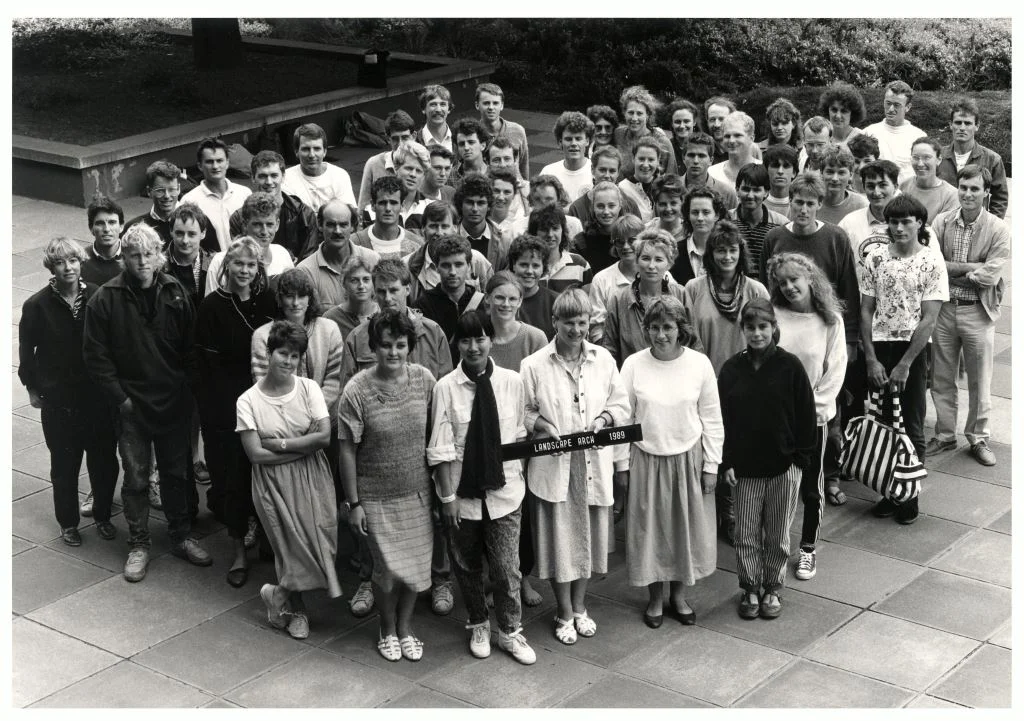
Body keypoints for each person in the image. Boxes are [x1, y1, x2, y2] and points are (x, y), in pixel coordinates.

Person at [83, 224, 212, 582]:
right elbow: (96, 359)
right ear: (123, 258)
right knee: (137, 478)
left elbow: (191, 349)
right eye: (134, 255)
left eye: (148, 254)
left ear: (160, 256)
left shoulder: (176, 293)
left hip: (173, 404)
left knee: (176, 474)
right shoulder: (105, 300)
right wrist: (121, 400)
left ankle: (181, 535)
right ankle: (139, 543)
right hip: (131, 409)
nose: (142, 261)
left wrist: (186, 391)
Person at [340, 260, 454, 620]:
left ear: (409, 289)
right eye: (382, 290)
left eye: (395, 289)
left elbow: (447, 391)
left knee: (431, 522)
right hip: (375, 450)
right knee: (373, 533)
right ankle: (367, 579)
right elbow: (346, 389)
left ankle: (439, 579)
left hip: (422, 449)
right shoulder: (359, 336)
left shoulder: (433, 332)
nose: (388, 297)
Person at [520, 288, 630, 645]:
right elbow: (522, 409)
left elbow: (621, 403)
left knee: (587, 541)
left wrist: (604, 418)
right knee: (559, 543)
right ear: (555, 322)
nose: (576, 329)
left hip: (592, 464)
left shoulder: (604, 360)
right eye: (568, 322)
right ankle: (563, 610)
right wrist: (541, 426)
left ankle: (581, 607)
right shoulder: (534, 364)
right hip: (554, 467)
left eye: (582, 322)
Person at [427, 310, 538, 665]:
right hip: (462, 497)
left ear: (491, 340)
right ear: (456, 344)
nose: (474, 347)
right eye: (466, 340)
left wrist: (517, 477)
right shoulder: (445, 388)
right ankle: (477, 622)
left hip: (505, 493)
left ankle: (510, 630)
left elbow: (519, 434)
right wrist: (447, 499)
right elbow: (441, 449)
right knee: (467, 566)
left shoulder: (511, 382)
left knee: (507, 568)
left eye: (480, 339)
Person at [338, 309, 436, 661]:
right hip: (375, 497)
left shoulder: (425, 381)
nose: (393, 352)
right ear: (374, 347)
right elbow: (347, 449)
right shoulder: (356, 391)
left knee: (414, 569)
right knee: (387, 572)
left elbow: (437, 436)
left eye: (400, 345)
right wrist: (354, 503)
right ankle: (387, 627)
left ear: (410, 346)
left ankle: (406, 628)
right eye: (385, 345)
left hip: (418, 493)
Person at [620, 296, 723, 627]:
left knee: (684, 531)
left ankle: (678, 597)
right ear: (645, 329)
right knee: (649, 532)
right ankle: (654, 599)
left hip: (687, 459)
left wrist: (711, 466)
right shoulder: (634, 364)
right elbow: (623, 420)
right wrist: (621, 466)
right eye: (654, 327)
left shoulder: (699, 364)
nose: (661, 334)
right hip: (646, 459)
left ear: (681, 330)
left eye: (667, 327)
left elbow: (711, 418)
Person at [238, 320, 340, 641]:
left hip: (314, 476)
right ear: (268, 353)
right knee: (290, 548)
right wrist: (302, 446)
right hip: (272, 485)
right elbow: (256, 455)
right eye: (282, 353)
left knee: (323, 543)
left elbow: (324, 437)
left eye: (295, 356)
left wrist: (281, 444)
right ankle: (296, 610)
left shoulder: (309, 388)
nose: (288, 361)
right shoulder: (248, 401)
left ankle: (277, 594)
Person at [718, 299, 816, 620]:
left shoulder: (790, 367)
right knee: (745, 533)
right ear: (743, 329)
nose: (757, 333)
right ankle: (749, 587)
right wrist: (726, 462)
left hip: (783, 467)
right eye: (751, 327)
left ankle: (772, 586)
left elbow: (805, 414)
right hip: (745, 469)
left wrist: (800, 461)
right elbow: (723, 420)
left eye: (763, 326)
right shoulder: (732, 370)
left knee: (777, 533)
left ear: (774, 327)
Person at [20, 237, 119, 546]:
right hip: (60, 401)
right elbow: (27, 351)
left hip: (97, 397)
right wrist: (33, 387)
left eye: (73, 261)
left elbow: (112, 341)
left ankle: (103, 515)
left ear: (81, 263)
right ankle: (68, 523)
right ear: (52, 267)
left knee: (104, 461)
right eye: (61, 262)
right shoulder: (37, 305)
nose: (68, 267)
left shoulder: (98, 296)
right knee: (64, 465)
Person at [859, 195, 949, 523]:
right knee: (883, 423)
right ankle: (888, 490)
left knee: (911, 425)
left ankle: (909, 496)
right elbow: (867, 309)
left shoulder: (931, 262)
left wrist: (906, 364)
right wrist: (871, 359)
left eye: (906, 222)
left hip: (912, 351)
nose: (899, 228)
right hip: (880, 349)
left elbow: (929, 319)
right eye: (894, 222)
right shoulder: (876, 258)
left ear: (919, 224)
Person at [195, 237, 277, 587]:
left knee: (265, 476)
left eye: (251, 265)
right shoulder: (212, 306)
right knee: (232, 479)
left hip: (265, 401)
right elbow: (204, 364)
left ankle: (269, 542)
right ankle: (239, 553)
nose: (244, 270)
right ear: (226, 266)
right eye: (238, 264)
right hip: (227, 405)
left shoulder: (267, 301)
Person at [766, 252, 847, 581]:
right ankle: (774, 548)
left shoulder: (830, 320)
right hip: (774, 418)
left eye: (793, 280)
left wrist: (808, 411)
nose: (788, 287)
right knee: (776, 488)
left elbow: (835, 371)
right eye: (781, 282)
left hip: (812, 420)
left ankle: (808, 550)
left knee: (811, 489)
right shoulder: (773, 315)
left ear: (810, 279)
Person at [928, 165, 1009, 466]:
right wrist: (970, 267)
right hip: (945, 310)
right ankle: (945, 434)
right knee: (942, 377)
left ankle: (978, 437)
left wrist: (953, 271)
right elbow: (932, 264)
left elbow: (990, 275)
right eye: (963, 187)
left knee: (979, 379)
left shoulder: (999, 229)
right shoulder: (941, 221)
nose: (968, 194)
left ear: (987, 192)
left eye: (975, 189)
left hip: (978, 311)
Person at [758, 174, 861, 352]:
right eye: (799, 202)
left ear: (819, 204)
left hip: (826, 325)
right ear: (790, 201)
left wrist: (850, 339)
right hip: (784, 327)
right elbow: (764, 287)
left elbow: (849, 289)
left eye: (810, 204)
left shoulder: (836, 238)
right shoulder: (774, 238)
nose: (804, 209)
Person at [683, 221, 770, 374]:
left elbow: (769, 339)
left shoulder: (756, 290)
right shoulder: (693, 288)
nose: (728, 256)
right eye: (721, 250)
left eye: (733, 250)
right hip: (703, 378)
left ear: (740, 252)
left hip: (746, 379)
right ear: (711, 253)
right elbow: (686, 337)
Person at [602, 228, 686, 367]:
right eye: (646, 258)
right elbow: (609, 350)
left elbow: (692, 343)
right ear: (636, 261)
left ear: (669, 264)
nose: (651, 266)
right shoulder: (619, 299)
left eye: (658, 259)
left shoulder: (680, 295)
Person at [230, 150, 320, 261]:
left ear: (283, 176)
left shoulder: (305, 214)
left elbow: (309, 259)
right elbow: (240, 258)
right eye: (262, 176)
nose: (269, 181)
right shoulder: (239, 218)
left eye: (274, 175)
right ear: (253, 178)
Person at [205, 192, 294, 295]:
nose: (264, 231)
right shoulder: (220, 262)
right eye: (257, 224)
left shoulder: (282, 254)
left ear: (277, 224)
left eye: (269, 224)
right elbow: (211, 307)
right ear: (244, 224)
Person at [296, 200, 380, 308]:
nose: (337, 231)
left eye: (343, 225)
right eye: (331, 225)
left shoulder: (373, 260)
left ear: (353, 227)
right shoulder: (306, 272)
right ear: (320, 225)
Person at [405, 201, 493, 303]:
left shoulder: (476, 260)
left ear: (455, 228)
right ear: (423, 228)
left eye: (444, 226)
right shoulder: (408, 265)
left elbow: (491, 297)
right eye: (433, 226)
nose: (439, 232)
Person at [936, 97, 1008, 219]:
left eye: (968, 123)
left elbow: (1000, 199)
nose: (962, 128)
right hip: (943, 225)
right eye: (958, 122)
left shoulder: (992, 159)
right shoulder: (937, 157)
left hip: (977, 226)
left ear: (977, 126)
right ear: (950, 125)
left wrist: (990, 226)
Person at [181, 137, 252, 251]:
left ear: (227, 163)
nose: (215, 166)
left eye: (219, 160)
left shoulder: (245, 194)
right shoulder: (189, 201)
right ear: (200, 165)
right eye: (209, 162)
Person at [411, 234, 485, 342]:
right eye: (446, 265)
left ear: (469, 267)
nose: (452, 272)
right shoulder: (423, 306)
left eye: (458, 265)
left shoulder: (483, 304)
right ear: (436, 267)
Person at [589, 214, 643, 344]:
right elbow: (596, 329)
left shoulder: (660, 274)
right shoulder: (602, 279)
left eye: (631, 240)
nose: (625, 246)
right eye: (619, 241)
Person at [281, 123, 357, 214]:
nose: (312, 155)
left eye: (317, 149)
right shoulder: (286, 179)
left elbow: (349, 215)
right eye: (306, 149)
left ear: (324, 152)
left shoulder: (340, 176)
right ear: (296, 152)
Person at [862, 80, 925, 184]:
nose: (891, 109)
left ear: (908, 107)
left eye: (897, 105)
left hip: (906, 197)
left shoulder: (919, 137)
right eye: (888, 103)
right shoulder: (868, 133)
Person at [729, 164, 790, 272]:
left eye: (756, 190)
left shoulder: (781, 224)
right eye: (746, 189)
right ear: (737, 190)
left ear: (766, 192)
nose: (750, 195)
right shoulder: (726, 220)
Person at [839, 159, 902, 261]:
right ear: (864, 187)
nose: (876, 192)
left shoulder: (913, 224)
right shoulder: (849, 223)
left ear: (895, 187)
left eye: (882, 185)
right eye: (870, 186)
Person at [355, 111, 416, 213]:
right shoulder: (374, 164)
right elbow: (363, 207)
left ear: (413, 136)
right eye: (395, 139)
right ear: (388, 139)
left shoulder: (422, 165)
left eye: (405, 137)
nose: (401, 144)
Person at [352, 176, 424, 260]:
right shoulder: (354, 243)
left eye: (393, 203)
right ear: (372, 205)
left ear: (402, 206)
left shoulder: (417, 245)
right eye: (382, 203)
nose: (388, 208)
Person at [568, 146, 641, 227]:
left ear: (618, 173)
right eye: (602, 170)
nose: (607, 175)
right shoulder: (577, 208)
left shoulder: (630, 205)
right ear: (592, 169)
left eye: (612, 171)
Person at [670, 187, 728, 286]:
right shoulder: (674, 252)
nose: (700, 218)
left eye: (706, 212)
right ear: (688, 215)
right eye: (695, 212)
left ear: (717, 215)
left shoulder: (728, 251)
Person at [528, 205, 593, 294]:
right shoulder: (526, 265)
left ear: (563, 231)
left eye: (555, 228)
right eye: (544, 229)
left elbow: (587, 305)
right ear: (534, 232)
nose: (550, 234)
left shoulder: (580, 264)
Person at [615, 85, 674, 179]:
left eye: (639, 113)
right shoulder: (618, 135)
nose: (634, 118)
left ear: (648, 115)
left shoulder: (662, 142)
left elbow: (672, 178)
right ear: (624, 113)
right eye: (630, 113)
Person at [508, 234, 559, 340]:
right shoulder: (503, 300)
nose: (529, 271)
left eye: (535, 266)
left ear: (543, 268)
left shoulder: (555, 302)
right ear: (514, 265)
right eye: (524, 265)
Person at [455, 172, 510, 271]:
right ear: (460, 204)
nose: (475, 209)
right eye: (469, 202)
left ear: (489, 206)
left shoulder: (504, 242)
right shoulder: (450, 236)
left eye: (481, 203)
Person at [476, 82, 530, 180]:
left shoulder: (518, 131)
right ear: (477, 105)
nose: (491, 107)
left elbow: (524, 169)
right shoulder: (471, 135)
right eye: (486, 103)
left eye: (495, 103)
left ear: (502, 105)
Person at [122, 160, 182, 246]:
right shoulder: (133, 228)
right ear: (149, 191)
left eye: (172, 190)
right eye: (160, 190)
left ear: (178, 189)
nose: (167, 196)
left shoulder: (196, 223)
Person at [900, 136, 959, 223]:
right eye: (916, 157)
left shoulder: (951, 195)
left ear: (938, 160)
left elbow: (944, 230)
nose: (920, 164)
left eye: (927, 157)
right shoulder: (904, 186)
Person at [573, 182, 626, 274]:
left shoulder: (629, 239)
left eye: (611, 206)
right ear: (593, 207)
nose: (606, 211)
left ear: (620, 206)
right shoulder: (581, 242)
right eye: (600, 206)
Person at [322, 256, 379, 342]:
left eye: (366, 279)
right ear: (344, 284)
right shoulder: (330, 318)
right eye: (354, 280)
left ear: (373, 283)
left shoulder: (383, 313)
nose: (361, 286)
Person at [510, 175, 585, 239]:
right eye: (538, 199)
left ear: (559, 199)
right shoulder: (517, 228)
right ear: (531, 200)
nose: (543, 205)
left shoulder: (574, 225)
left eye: (549, 199)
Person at [541, 111, 594, 201]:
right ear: (560, 142)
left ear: (587, 141)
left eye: (578, 139)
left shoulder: (597, 172)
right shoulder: (548, 172)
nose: (573, 143)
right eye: (568, 139)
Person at [679, 132, 739, 212]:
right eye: (691, 155)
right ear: (683, 158)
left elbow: (732, 223)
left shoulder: (727, 193)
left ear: (711, 160)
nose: (696, 161)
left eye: (701, 156)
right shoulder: (671, 190)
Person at [817, 146, 869, 226]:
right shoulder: (810, 202)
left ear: (851, 175)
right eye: (830, 172)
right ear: (821, 174)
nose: (835, 179)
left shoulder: (861, 205)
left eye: (841, 173)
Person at [616, 135, 662, 222]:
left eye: (651, 160)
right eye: (641, 159)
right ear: (633, 159)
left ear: (658, 161)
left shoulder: (664, 186)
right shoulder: (622, 189)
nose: (645, 164)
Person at [81, 195, 125, 285]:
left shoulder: (134, 256)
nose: (106, 229)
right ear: (91, 228)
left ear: (121, 227)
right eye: (100, 223)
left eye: (112, 222)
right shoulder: (80, 260)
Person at [709, 112, 760, 187]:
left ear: (751, 138)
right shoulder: (712, 173)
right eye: (727, 136)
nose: (731, 140)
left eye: (737, 135)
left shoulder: (765, 170)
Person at [391, 141, 433, 231]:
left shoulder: (431, 207)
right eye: (409, 168)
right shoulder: (377, 206)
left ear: (424, 175)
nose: (413, 174)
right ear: (396, 168)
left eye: (418, 171)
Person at [645, 174, 687, 247]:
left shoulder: (689, 233)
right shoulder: (646, 231)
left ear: (681, 202)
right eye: (663, 204)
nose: (668, 209)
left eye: (673, 203)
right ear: (655, 204)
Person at [663, 98, 701, 174]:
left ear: (694, 122)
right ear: (672, 123)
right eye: (678, 122)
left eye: (686, 121)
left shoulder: (704, 146)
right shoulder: (666, 148)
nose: (682, 126)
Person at [762, 144, 799, 218]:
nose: (780, 171)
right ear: (766, 170)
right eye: (775, 166)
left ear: (794, 173)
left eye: (786, 166)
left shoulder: (802, 206)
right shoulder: (757, 203)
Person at [451, 117, 490, 183]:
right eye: (461, 144)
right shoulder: (450, 176)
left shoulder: (496, 174)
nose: (466, 148)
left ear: (483, 145)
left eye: (471, 142)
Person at [416, 84, 453, 152]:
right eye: (433, 104)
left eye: (442, 104)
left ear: (449, 109)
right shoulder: (415, 143)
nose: (438, 109)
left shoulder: (459, 139)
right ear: (423, 109)